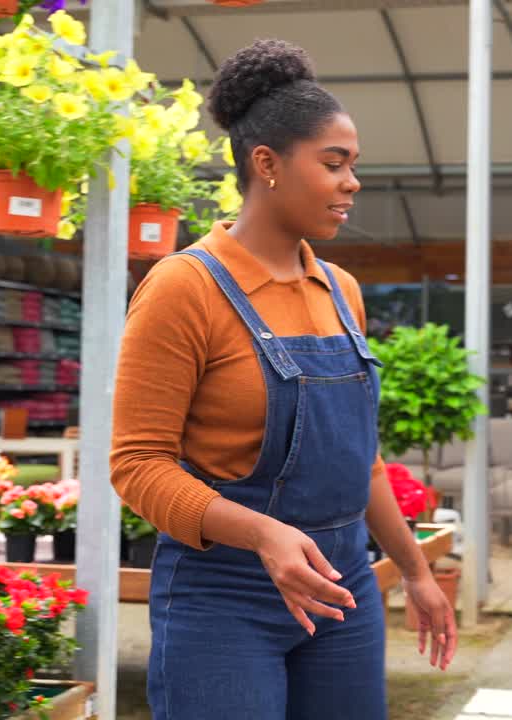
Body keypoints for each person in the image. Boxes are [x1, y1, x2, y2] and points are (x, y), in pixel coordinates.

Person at [109, 39, 457, 720]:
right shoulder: (184, 287)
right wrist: (262, 534)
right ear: (266, 164)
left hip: (342, 586)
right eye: (335, 164)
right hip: (224, 596)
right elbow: (137, 466)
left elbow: (363, 461)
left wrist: (415, 572)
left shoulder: (341, 291)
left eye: (354, 165)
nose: (352, 182)